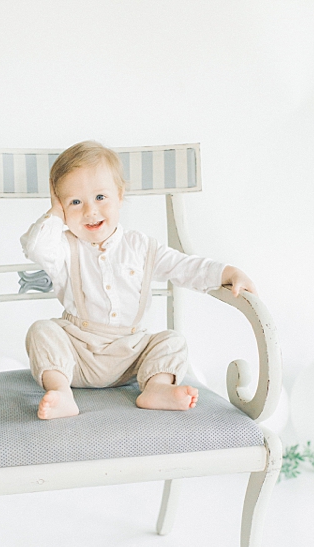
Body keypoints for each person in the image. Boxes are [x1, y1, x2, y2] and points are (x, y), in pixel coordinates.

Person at [21, 140, 256, 420]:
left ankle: (156, 388)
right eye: (75, 202)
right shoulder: (62, 248)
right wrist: (55, 213)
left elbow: (184, 266)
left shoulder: (141, 248)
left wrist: (226, 273)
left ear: (120, 196)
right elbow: (35, 247)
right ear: (62, 206)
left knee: (172, 340)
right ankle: (61, 393)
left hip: (131, 356)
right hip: (77, 356)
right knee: (41, 330)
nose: (90, 211)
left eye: (100, 197)